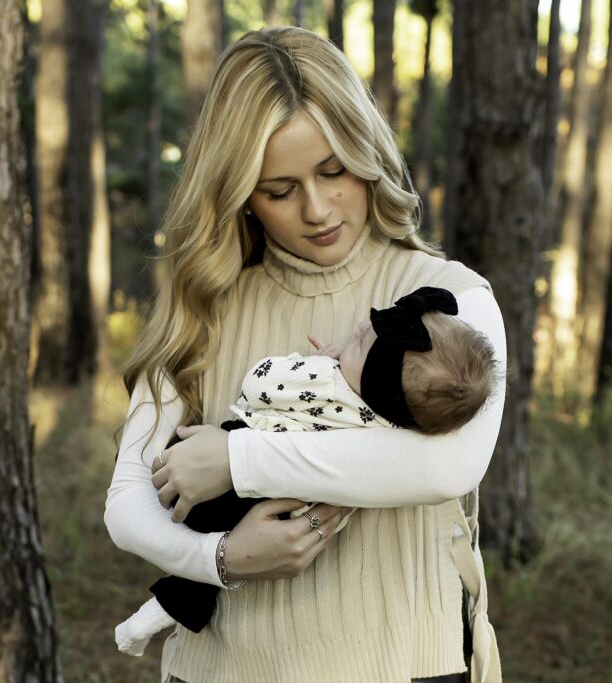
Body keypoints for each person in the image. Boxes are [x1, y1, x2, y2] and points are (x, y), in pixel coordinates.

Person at [105, 26, 506, 683]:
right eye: (279, 190)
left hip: (401, 666)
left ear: (367, 149)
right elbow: (126, 504)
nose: (317, 209)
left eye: (334, 170)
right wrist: (225, 557)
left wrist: (237, 458)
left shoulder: (448, 298)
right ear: (238, 191)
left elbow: (448, 465)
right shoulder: (204, 303)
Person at [114, 287, 499, 657]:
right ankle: (153, 616)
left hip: (234, 494)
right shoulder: (397, 424)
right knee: (195, 584)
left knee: (181, 480)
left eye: (362, 346)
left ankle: (153, 615)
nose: (362, 327)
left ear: (372, 386)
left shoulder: (330, 383)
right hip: (298, 512)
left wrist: (320, 367)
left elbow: (261, 382)